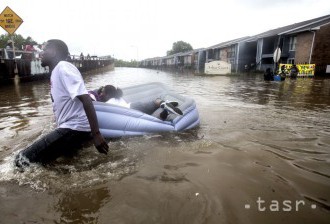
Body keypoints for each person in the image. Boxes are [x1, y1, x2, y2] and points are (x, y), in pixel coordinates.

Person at [15, 39, 109, 169]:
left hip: (74, 128)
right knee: (61, 165)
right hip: (72, 128)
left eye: (44, 50)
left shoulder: (63, 67)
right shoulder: (56, 72)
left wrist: (96, 134)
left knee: (21, 161)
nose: (40, 54)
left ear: (53, 52)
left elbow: (86, 99)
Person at [95, 85, 183, 120]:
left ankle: (164, 104)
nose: (101, 94)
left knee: (155, 101)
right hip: (134, 107)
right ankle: (166, 108)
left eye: (103, 92)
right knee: (154, 103)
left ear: (108, 94)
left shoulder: (109, 103)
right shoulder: (117, 98)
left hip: (133, 109)